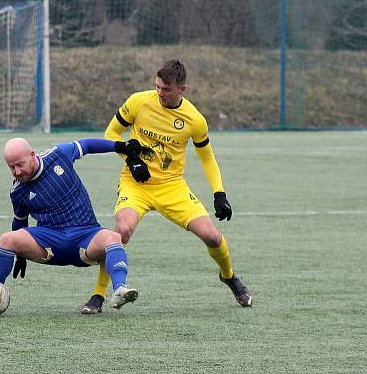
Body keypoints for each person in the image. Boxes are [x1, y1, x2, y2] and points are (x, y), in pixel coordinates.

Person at [80, 59, 252, 314]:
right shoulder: (138, 101)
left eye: (166, 89)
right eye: (157, 86)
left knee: (213, 236)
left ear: (182, 89)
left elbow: (206, 156)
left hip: (172, 187)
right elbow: (111, 134)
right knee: (121, 232)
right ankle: (97, 295)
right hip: (136, 183)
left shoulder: (194, 119)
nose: (160, 93)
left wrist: (219, 193)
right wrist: (132, 160)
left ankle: (228, 276)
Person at [0, 137, 151, 315]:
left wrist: (120, 146)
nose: (17, 172)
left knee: (113, 237)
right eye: (12, 167)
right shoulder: (17, 191)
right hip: (50, 241)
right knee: (7, 239)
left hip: (85, 235)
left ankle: (120, 289)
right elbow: (20, 221)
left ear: (32, 155)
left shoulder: (58, 155)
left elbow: (87, 145)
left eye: (20, 165)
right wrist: (19, 255)